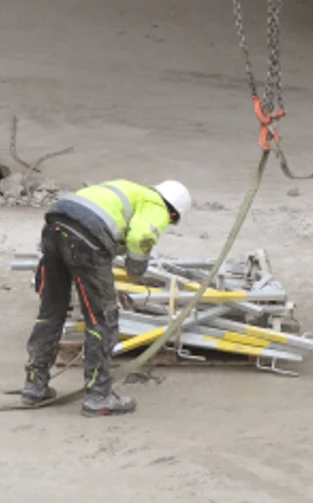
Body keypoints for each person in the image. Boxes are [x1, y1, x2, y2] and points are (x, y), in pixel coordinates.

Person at [23, 177, 190, 416]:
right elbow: (140, 237)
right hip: (85, 238)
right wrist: (136, 269)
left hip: (55, 225)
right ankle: (98, 396)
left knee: (51, 311)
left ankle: (34, 386)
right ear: (173, 214)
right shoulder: (157, 206)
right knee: (102, 318)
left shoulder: (129, 189)